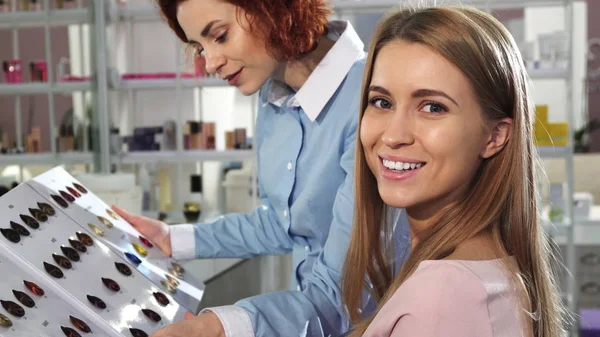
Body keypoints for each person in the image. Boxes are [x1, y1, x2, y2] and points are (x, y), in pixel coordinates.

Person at [112, 0, 409, 336]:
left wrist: (215, 327)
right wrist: (173, 238)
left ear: (275, 9)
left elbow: (341, 295)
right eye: (199, 46)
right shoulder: (275, 96)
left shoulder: (372, 101)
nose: (210, 63)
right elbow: (284, 222)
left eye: (220, 36)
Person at [341, 6, 568, 337]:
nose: (393, 135)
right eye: (382, 102)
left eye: (433, 107)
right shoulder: (483, 273)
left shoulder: (441, 298)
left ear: (494, 136)